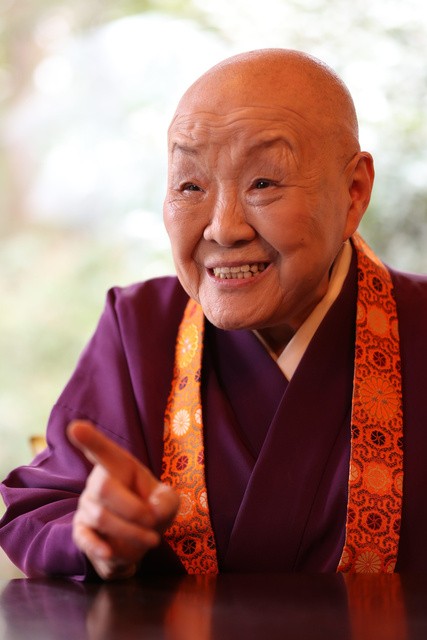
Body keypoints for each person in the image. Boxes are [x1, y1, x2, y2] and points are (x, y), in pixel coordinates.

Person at [1, 48, 427, 580]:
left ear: (354, 192)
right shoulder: (140, 327)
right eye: (191, 186)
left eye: (264, 183)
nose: (224, 228)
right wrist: (93, 532)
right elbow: (47, 508)